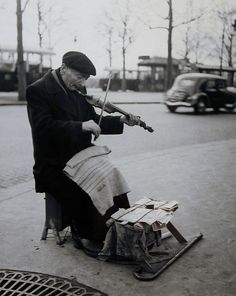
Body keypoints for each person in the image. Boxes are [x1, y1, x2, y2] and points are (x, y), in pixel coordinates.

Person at [26, 51, 140, 257]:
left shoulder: (77, 89)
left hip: (81, 156)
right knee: (88, 189)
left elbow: (93, 122)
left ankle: (120, 226)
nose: (82, 82)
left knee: (111, 172)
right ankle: (95, 233)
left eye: (85, 78)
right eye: (79, 76)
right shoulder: (38, 90)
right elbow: (43, 128)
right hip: (54, 164)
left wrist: (120, 121)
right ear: (63, 69)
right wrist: (80, 127)